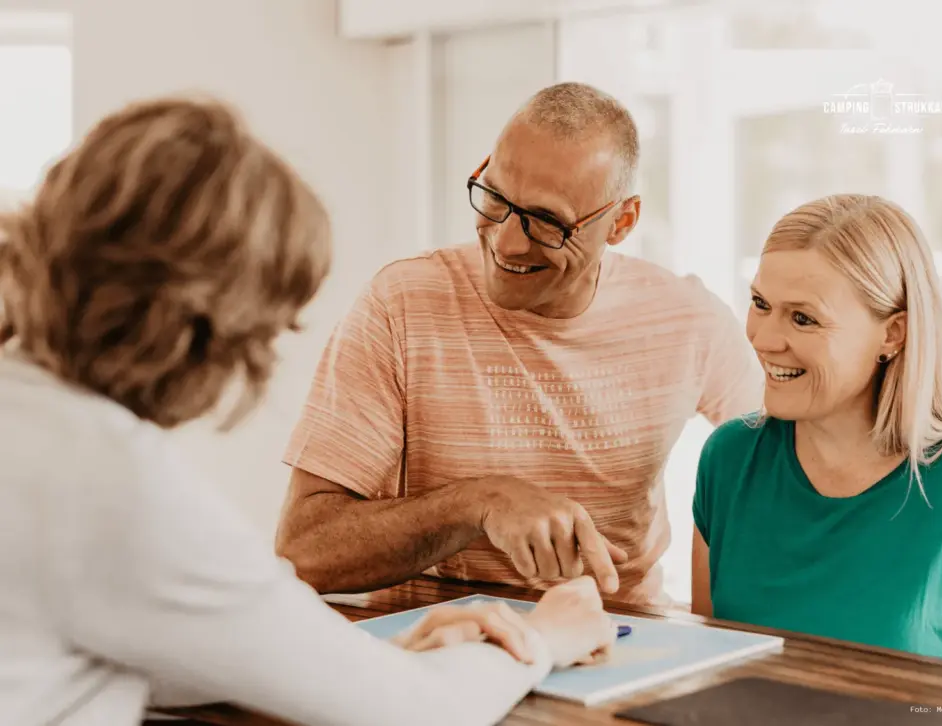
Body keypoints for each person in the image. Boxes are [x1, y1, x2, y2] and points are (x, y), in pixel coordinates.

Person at [0, 96, 621, 726]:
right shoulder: (112, 483)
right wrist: (543, 640)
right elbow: (417, 716)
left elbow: (143, 644)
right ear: (201, 326)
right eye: (267, 330)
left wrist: (368, 662)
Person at [276, 82, 764, 605]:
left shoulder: (687, 321)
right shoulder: (402, 304)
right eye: (495, 198)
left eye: (548, 222)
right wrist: (477, 504)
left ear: (621, 222)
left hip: (619, 642)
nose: (507, 241)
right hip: (434, 646)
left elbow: (789, 462)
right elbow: (304, 551)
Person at [690, 194, 942, 670]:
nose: (763, 339)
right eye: (761, 304)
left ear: (893, 334)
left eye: (803, 318)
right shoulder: (730, 459)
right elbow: (708, 673)